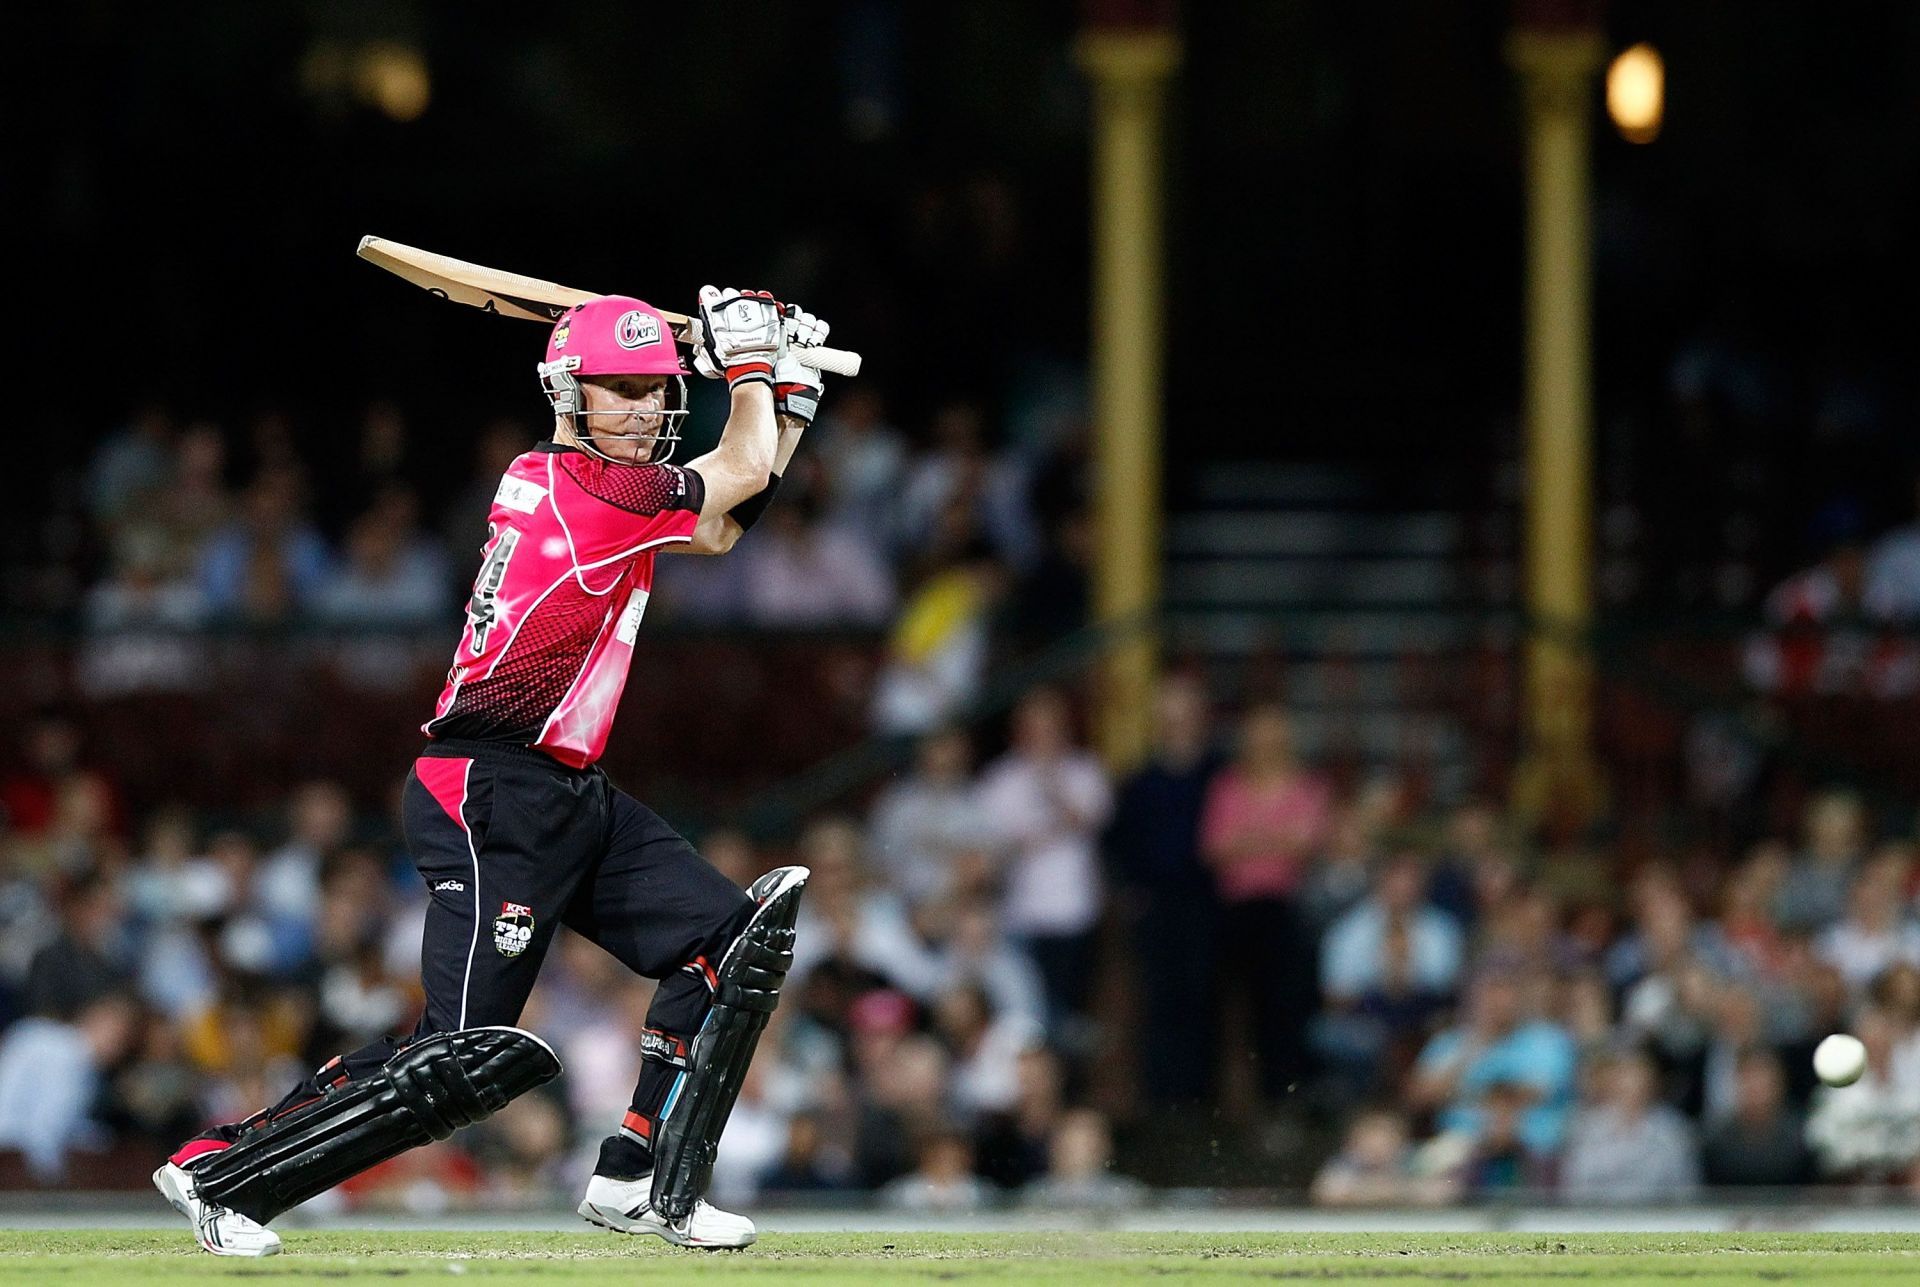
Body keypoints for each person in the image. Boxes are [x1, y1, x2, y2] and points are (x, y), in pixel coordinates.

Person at [153, 289, 834, 1256]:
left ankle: (641, 1179)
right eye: (623, 391)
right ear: (571, 392)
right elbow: (738, 469)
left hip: (566, 788)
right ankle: (220, 1168)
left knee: (731, 945)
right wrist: (761, 369)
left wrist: (787, 396)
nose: (645, 410)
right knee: (458, 1057)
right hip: (490, 787)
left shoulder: (590, 483)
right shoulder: (594, 490)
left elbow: (723, 520)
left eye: (656, 391)